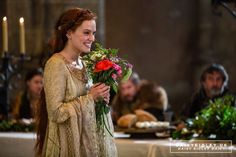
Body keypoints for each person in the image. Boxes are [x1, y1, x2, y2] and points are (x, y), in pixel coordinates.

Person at [35, 8, 117, 157]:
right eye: (86, 32)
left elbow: (88, 103)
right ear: (69, 33)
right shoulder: (56, 64)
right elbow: (56, 113)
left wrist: (101, 99)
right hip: (67, 148)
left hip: (87, 146)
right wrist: (91, 98)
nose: (92, 38)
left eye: (93, 33)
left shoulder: (84, 64)